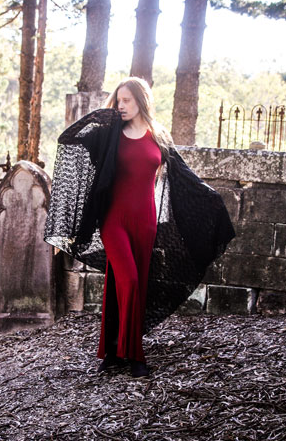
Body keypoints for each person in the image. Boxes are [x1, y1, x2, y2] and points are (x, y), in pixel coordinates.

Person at [44, 77, 235, 378]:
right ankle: (135, 353)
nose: (121, 105)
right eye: (118, 100)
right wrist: (97, 116)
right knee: (129, 280)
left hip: (145, 222)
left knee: (130, 285)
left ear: (141, 101)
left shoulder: (158, 135)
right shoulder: (109, 135)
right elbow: (69, 139)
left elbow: (183, 177)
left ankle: (112, 351)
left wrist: (212, 200)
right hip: (114, 221)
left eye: (127, 100)